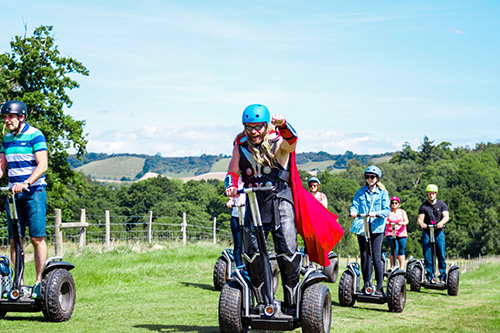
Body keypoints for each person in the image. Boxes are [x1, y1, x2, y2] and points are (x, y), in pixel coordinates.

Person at [225, 103, 302, 314]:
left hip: (280, 199)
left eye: (258, 126)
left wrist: (284, 125)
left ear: (266, 125)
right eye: (249, 127)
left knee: (286, 249)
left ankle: (292, 303)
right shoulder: (240, 144)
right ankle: (263, 302)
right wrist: (230, 186)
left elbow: (293, 142)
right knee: (252, 252)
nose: (254, 131)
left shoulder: (277, 140)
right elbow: (232, 172)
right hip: (254, 201)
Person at [0, 100, 48, 299]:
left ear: (22, 117)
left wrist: (27, 182)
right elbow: (2, 166)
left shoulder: (35, 135)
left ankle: (38, 282)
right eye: (5, 117)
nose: (7, 120)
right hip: (13, 195)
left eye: (10, 116)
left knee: (37, 238)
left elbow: (43, 165)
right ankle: (17, 281)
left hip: (34, 193)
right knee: (15, 240)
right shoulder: (7, 139)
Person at [350, 165, 390, 296]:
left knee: (376, 257)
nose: (370, 179)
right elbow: (355, 204)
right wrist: (354, 212)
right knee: (364, 256)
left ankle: (379, 287)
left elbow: (386, 209)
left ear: (377, 178)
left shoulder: (383, 193)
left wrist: (377, 213)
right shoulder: (361, 192)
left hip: (377, 228)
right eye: (368, 177)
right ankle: (366, 284)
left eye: (372, 177)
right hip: (363, 227)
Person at [417, 184, 449, 282]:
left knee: (441, 253)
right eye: (430, 193)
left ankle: (443, 276)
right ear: (427, 194)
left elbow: (446, 217)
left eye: (433, 193)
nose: (431, 195)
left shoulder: (442, 205)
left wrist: (441, 223)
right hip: (427, 231)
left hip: (438, 231)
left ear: (436, 194)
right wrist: (422, 224)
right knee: (428, 255)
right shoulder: (424, 206)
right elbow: (420, 219)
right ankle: (429, 275)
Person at [225, 178, 245, 267]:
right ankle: (239, 268)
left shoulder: (253, 180)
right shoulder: (237, 181)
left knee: (250, 244)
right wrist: (230, 202)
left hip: (249, 217)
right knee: (238, 244)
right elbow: (232, 198)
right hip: (236, 216)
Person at [385, 196, 409, 270]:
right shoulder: (388, 212)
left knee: (401, 250)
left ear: (399, 204)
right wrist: (389, 223)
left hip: (401, 233)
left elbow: (406, 221)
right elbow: (385, 220)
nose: (394, 204)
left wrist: (401, 223)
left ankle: (402, 268)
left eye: (396, 203)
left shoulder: (402, 212)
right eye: (392, 203)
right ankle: (392, 266)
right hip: (391, 232)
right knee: (394, 249)